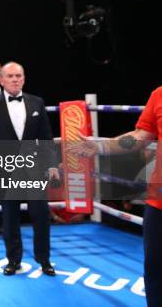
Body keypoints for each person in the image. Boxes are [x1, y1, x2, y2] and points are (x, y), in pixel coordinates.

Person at [69, 86, 161, 307]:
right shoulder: (159, 95)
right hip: (158, 203)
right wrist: (101, 146)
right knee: (156, 271)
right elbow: (141, 136)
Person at [0, 61, 59, 276]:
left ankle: (45, 260)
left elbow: (47, 136)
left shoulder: (37, 103)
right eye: (10, 76)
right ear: (1, 80)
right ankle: (13, 261)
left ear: (23, 78)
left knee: (41, 215)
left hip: (34, 168)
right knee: (9, 217)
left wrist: (52, 165)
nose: (15, 79)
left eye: (18, 76)